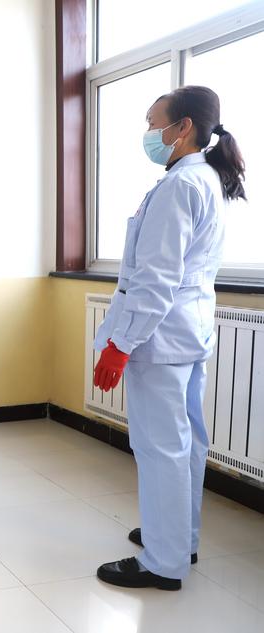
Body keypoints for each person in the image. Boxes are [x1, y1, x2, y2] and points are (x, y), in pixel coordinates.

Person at [93, 86, 246, 590]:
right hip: (189, 333)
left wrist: (121, 345)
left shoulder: (181, 185)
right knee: (186, 443)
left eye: (153, 122)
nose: (149, 132)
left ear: (183, 128)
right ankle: (180, 538)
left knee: (160, 447)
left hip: (160, 339)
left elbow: (156, 279)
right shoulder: (204, 178)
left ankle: (162, 562)